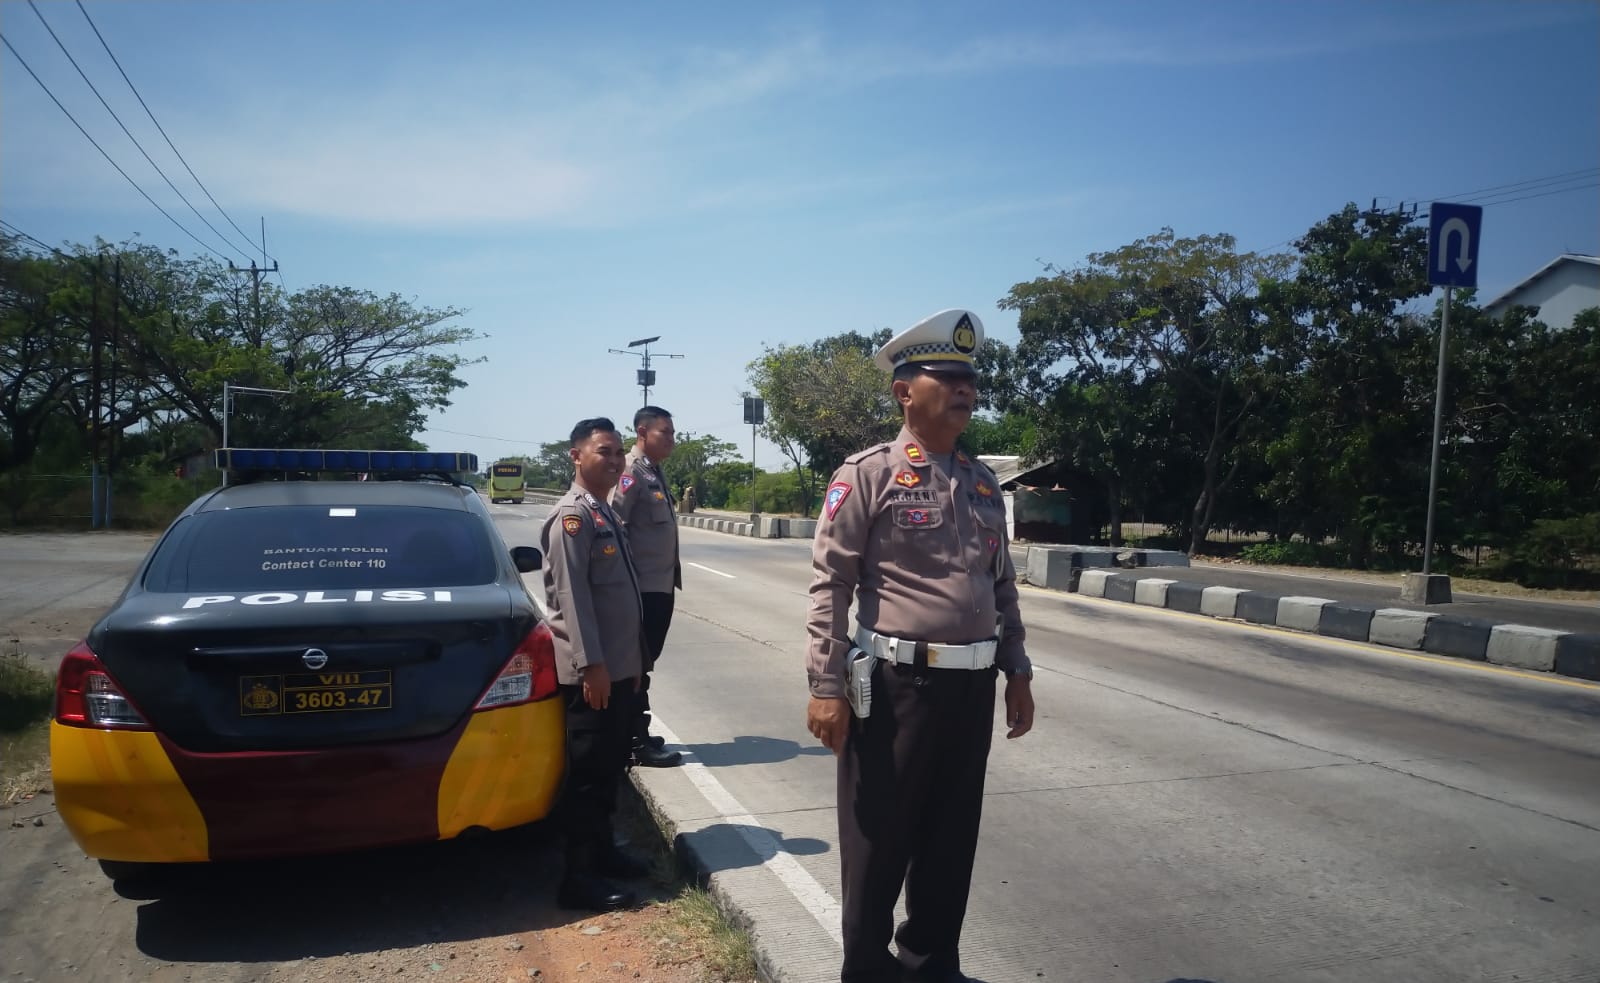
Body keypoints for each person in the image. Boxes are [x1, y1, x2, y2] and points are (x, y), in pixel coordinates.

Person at [805, 309, 1036, 983]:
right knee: (879, 841)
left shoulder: (983, 482)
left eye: (970, 379)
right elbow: (829, 584)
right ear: (905, 391)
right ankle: (866, 971)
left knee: (950, 837)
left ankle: (930, 964)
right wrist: (825, 685)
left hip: (972, 686)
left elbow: (1002, 585)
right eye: (947, 377)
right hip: (895, 687)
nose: (965, 389)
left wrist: (1017, 669)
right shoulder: (867, 473)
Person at [541, 417, 653, 912]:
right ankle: (578, 877)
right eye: (603, 451)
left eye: (617, 452)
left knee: (610, 767)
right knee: (587, 775)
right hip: (595, 674)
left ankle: (604, 853)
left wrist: (633, 663)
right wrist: (592, 667)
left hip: (619, 669)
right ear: (576, 456)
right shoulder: (573, 517)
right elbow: (573, 598)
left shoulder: (604, 511)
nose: (614, 460)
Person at [610, 405, 684, 767]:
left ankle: (636, 729)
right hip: (640, 589)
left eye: (672, 433)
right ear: (642, 433)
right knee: (636, 664)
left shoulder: (653, 471)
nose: (672, 439)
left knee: (645, 662)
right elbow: (615, 524)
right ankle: (635, 741)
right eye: (664, 432)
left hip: (660, 585)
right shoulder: (630, 471)